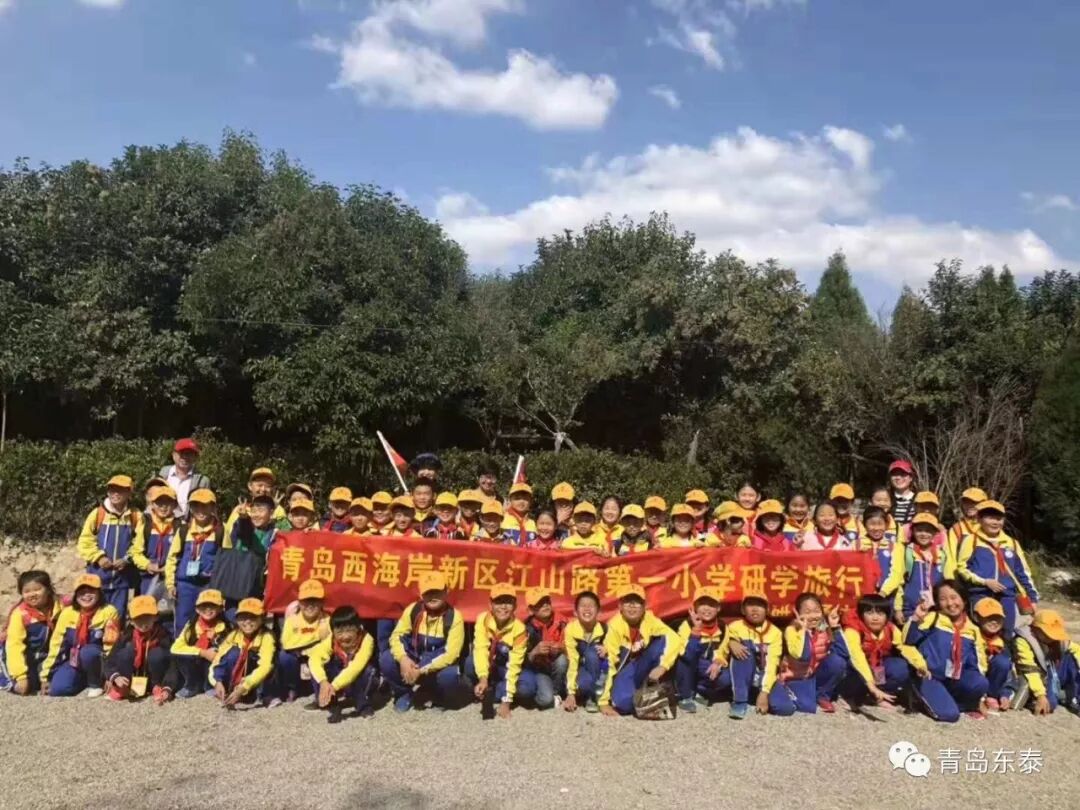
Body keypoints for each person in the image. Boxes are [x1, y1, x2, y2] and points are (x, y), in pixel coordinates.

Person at [903, 580, 989, 722]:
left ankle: (951, 702)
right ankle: (920, 696)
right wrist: (916, 618)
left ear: (964, 599)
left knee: (980, 682)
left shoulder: (972, 630)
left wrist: (980, 698)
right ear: (937, 603)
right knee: (950, 715)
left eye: (954, 597)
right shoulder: (932, 619)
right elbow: (907, 642)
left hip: (954, 679)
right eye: (943, 599)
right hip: (929, 676)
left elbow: (979, 665)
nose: (950, 603)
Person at [379, 572, 464, 712]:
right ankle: (403, 694)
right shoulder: (413, 610)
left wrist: (422, 670)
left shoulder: (455, 617)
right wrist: (403, 659)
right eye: (428, 592)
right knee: (386, 659)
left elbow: (451, 654)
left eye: (437, 591)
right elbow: (396, 636)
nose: (433, 596)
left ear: (446, 591)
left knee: (450, 675)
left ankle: (436, 695)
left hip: (435, 664)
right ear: (420, 594)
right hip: (413, 658)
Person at [956, 499, 1038, 639]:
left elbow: (1023, 572)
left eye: (999, 518)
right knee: (981, 635)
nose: (995, 522)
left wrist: (1033, 598)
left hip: (1007, 597)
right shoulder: (971, 541)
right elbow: (962, 569)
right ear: (980, 519)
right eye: (990, 517)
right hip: (981, 595)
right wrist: (984, 582)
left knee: (1007, 634)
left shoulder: (1011, 543)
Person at [834, 593, 923, 719]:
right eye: (869, 613)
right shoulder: (853, 629)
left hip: (876, 666)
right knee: (853, 669)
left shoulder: (890, 628)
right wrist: (870, 683)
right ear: (861, 614)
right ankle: (850, 696)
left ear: (887, 616)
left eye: (880, 613)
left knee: (900, 667)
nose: (875, 618)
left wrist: (920, 665)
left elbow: (905, 646)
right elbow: (856, 656)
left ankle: (875, 696)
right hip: (854, 670)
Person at [598, 585, 680, 717]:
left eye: (637, 602)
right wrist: (603, 702)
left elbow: (674, 638)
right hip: (626, 670)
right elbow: (610, 664)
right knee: (623, 705)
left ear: (644, 606)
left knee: (661, 641)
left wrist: (663, 666)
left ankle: (656, 690)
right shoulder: (614, 626)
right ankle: (646, 696)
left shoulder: (650, 619)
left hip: (645, 664)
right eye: (627, 602)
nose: (632, 606)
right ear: (620, 606)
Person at [76, 473, 143, 621]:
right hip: (97, 578)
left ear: (129, 493)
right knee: (94, 617)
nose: (115, 493)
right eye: (112, 489)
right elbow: (85, 541)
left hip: (122, 579)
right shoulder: (97, 514)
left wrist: (127, 559)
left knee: (117, 617)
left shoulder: (136, 516)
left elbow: (139, 543)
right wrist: (99, 557)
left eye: (121, 490)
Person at [42, 574, 120, 698]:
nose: (86, 595)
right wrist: (46, 676)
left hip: (98, 661)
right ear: (76, 595)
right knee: (58, 689)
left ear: (99, 593)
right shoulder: (67, 613)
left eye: (91, 591)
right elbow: (56, 646)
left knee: (88, 652)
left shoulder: (109, 611)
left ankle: (96, 683)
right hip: (74, 660)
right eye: (82, 592)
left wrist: (111, 675)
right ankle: (82, 680)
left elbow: (111, 646)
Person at [717, 593, 786, 719]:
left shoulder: (775, 632)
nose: (755, 609)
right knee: (744, 650)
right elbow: (722, 651)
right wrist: (731, 642)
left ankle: (755, 695)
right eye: (750, 605)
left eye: (759, 605)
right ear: (743, 610)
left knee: (784, 707)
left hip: (763, 676)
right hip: (743, 672)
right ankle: (740, 700)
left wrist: (764, 692)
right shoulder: (735, 627)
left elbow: (773, 664)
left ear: (767, 610)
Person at [467, 584, 530, 718]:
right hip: (489, 665)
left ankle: (495, 693)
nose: (503, 607)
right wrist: (483, 678)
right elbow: (480, 649)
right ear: (490, 604)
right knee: (470, 663)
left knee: (526, 689)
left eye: (508, 602)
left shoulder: (520, 630)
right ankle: (482, 687)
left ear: (515, 606)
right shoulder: (483, 619)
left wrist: (506, 701)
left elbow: (514, 666)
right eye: (498, 602)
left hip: (505, 668)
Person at [165, 488, 223, 635]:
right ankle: (181, 649)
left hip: (209, 585)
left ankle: (205, 648)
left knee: (209, 622)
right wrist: (171, 584)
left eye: (205, 506)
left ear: (213, 507)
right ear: (191, 508)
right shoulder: (184, 530)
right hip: (185, 585)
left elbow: (227, 562)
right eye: (196, 506)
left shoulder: (220, 531)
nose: (200, 510)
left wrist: (221, 588)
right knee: (183, 622)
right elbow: (172, 558)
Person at [306, 605, 377, 723]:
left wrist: (333, 686)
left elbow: (356, 667)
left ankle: (363, 705)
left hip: (357, 678)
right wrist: (323, 682)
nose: (345, 636)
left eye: (349, 630)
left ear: (358, 627)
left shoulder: (367, 639)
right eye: (339, 632)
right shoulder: (331, 639)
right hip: (339, 676)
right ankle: (330, 703)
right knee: (317, 668)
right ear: (333, 632)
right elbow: (314, 657)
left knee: (369, 671)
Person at [776, 593, 845, 713]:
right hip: (796, 678)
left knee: (838, 661)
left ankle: (822, 695)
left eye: (817, 611)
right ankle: (790, 690)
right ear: (797, 613)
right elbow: (802, 655)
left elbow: (843, 654)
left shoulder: (824, 629)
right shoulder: (792, 630)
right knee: (807, 706)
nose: (813, 616)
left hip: (814, 676)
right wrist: (803, 630)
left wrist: (834, 628)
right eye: (807, 612)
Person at [104, 594, 176, 705]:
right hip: (129, 679)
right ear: (131, 621)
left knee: (157, 654)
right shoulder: (125, 636)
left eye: (147, 617)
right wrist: (115, 677)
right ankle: (123, 687)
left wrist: (168, 686)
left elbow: (173, 665)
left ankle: (158, 687)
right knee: (126, 652)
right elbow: (109, 660)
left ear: (156, 617)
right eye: (138, 618)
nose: (143, 622)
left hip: (154, 679)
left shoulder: (164, 636)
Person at [883, 513, 951, 625]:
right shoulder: (907, 552)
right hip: (910, 608)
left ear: (935, 533)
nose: (924, 534)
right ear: (913, 531)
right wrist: (898, 608)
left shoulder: (942, 554)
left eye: (928, 531)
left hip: (936, 608)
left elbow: (946, 582)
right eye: (919, 530)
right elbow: (900, 581)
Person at [0, 570, 61, 694]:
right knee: (23, 688)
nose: (32, 594)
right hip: (17, 656)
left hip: (43, 657)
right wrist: (20, 676)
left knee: (54, 685)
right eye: (26, 591)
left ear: (48, 589)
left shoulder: (59, 608)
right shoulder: (20, 614)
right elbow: (14, 645)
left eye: (37, 589)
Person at [272, 579, 331, 706]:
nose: (310, 605)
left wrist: (305, 645)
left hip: (318, 656)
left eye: (315, 601)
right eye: (306, 601)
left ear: (322, 602)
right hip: (297, 655)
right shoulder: (291, 620)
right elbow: (286, 643)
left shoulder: (328, 620)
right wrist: (316, 638)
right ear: (299, 602)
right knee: (284, 656)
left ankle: (322, 691)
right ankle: (292, 687)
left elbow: (329, 643)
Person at [211, 597, 276, 710]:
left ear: (262, 619)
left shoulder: (267, 637)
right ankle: (228, 689)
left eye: (253, 617)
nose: (247, 621)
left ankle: (263, 694)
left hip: (253, 680)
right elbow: (218, 659)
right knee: (233, 654)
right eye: (243, 617)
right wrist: (217, 681)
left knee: (269, 664)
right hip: (238, 677)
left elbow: (265, 666)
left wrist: (245, 686)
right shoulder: (233, 635)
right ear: (237, 620)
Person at [1013, 609, 1080, 716]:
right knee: (1050, 704)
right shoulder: (1023, 641)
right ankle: (1059, 696)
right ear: (1037, 629)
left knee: (1072, 658)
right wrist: (1040, 695)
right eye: (1048, 633)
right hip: (1040, 676)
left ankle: (1074, 699)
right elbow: (1029, 670)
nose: (1052, 637)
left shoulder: (1057, 640)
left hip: (1055, 672)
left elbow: (1076, 649)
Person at [170, 588, 230, 698]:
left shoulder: (225, 627)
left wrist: (216, 645)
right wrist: (203, 653)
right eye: (203, 606)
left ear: (220, 609)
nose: (208, 609)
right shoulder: (191, 626)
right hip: (195, 662)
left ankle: (210, 685)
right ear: (197, 609)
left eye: (213, 606)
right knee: (180, 655)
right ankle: (192, 685)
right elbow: (175, 648)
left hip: (214, 663)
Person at [675, 587, 727, 712]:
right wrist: (696, 631)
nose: (706, 608)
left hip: (705, 664)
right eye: (702, 604)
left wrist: (718, 661)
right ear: (694, 608)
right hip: (688, 664)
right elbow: (686, 655)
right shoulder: (685, 625)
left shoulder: (722, 627)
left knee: (726, 678)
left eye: (711, 605)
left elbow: (723, 651)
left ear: (718, 608)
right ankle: (685, 696)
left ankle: (700, 691)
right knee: (685, 661)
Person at [131, 485, 181, 597]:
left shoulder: (180, 526)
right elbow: (136, 552)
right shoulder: (146, 525)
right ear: (152, 504)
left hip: (172, 579)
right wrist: (147, 565)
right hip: (147, 579)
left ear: (174, 505)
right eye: (159, 503)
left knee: (169, 607)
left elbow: (182, 555)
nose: (163, 507)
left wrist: (169, 568)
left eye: (168, 503)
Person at [522, 588, 568, 710]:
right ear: (531, 609)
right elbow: (520, 661)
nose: (545, 605)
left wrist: (562, 648)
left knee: (562, 660)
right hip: (539, 670)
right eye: (540, 603)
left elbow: (574, 648)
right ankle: (544, 692)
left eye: (547, 601)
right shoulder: (525, 628)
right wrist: (534, 652)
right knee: (545, 700)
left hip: (560, 668)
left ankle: (557, 692)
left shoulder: (563, 622)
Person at [562, 590, 607, 713]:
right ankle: (592, 694)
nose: (587, 609)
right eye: (583, 605)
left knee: (592, 654)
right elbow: (572, 661)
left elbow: (616, 652)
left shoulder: (605, 629)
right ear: (575, 612)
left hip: (600, 672)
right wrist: (571, 693)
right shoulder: (570, 630)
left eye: (591, 605)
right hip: (580, 670)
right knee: (583, 684)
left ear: (599, 611)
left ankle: (594, 697)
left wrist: (607, 649)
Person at [973, 597, 1013, 712]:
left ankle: (993, 695)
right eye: (989, 617)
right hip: (975, 681)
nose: (994, 621)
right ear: (976, 618)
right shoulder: (970, 636)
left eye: (998, 618)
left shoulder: (1002, 642)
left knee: (1003, 662)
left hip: (991, 684)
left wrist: (1005, 694)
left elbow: (1010, 673)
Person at [158, 438, 211, 519]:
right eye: (181, 453)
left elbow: (206, 508)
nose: (185, 457)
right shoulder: (163, 474)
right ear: (173, 455)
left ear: (195, 457)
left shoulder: (202, 481)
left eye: (189, 454)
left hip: (189, 525)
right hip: (163, 524)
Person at [224, 467, 284, 536]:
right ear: (250, 486)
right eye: (259, 485)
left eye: (267, 486)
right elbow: (228, 537)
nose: (263, 489)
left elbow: (285, 534)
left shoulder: (278, 510)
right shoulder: (240, 510)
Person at [947, 487, 988, 565]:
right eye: (966, 502)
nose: (970, 506)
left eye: (975, 502)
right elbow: (950, 559)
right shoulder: (957, 529)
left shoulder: (991, 527)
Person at [860, 505, 894, 592]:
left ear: (886, 525)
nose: (876, 528)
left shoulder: (893, 546)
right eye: (872, 524)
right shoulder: (856, 545)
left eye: (880, 524)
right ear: (864, 525)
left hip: (888, 595)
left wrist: (883, 592)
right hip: (864, 594)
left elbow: (896, 574)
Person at [887, 460, 917, 525]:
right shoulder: (885, 498)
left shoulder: (919, 499)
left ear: (911, 478)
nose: (898, 477)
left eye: (903, 474)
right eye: (894, 474)